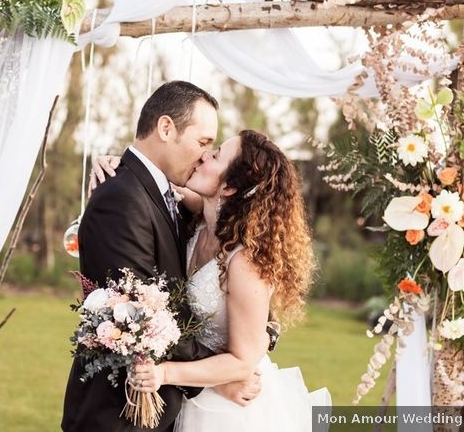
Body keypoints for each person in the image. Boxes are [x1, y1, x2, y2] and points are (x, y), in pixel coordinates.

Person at [92, 129, 331, 431]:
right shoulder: (200, 217)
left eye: (216, 155)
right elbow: (149, 182)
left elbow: (243, 362)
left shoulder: (245, 261)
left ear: (229, 187)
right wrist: (115, 166)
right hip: (198, 393)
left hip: (230, 412)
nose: (204, 155)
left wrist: (165, 374)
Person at [61, 81, 263, 432]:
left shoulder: (175, 200)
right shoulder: (121, 199)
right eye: (203, 143)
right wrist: (220, 375)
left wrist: (262, 337)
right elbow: (148, 318)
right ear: (166, 128)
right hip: (120, 415)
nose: (205, 155)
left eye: (213, 150)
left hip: (162, 409)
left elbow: (245, 294)